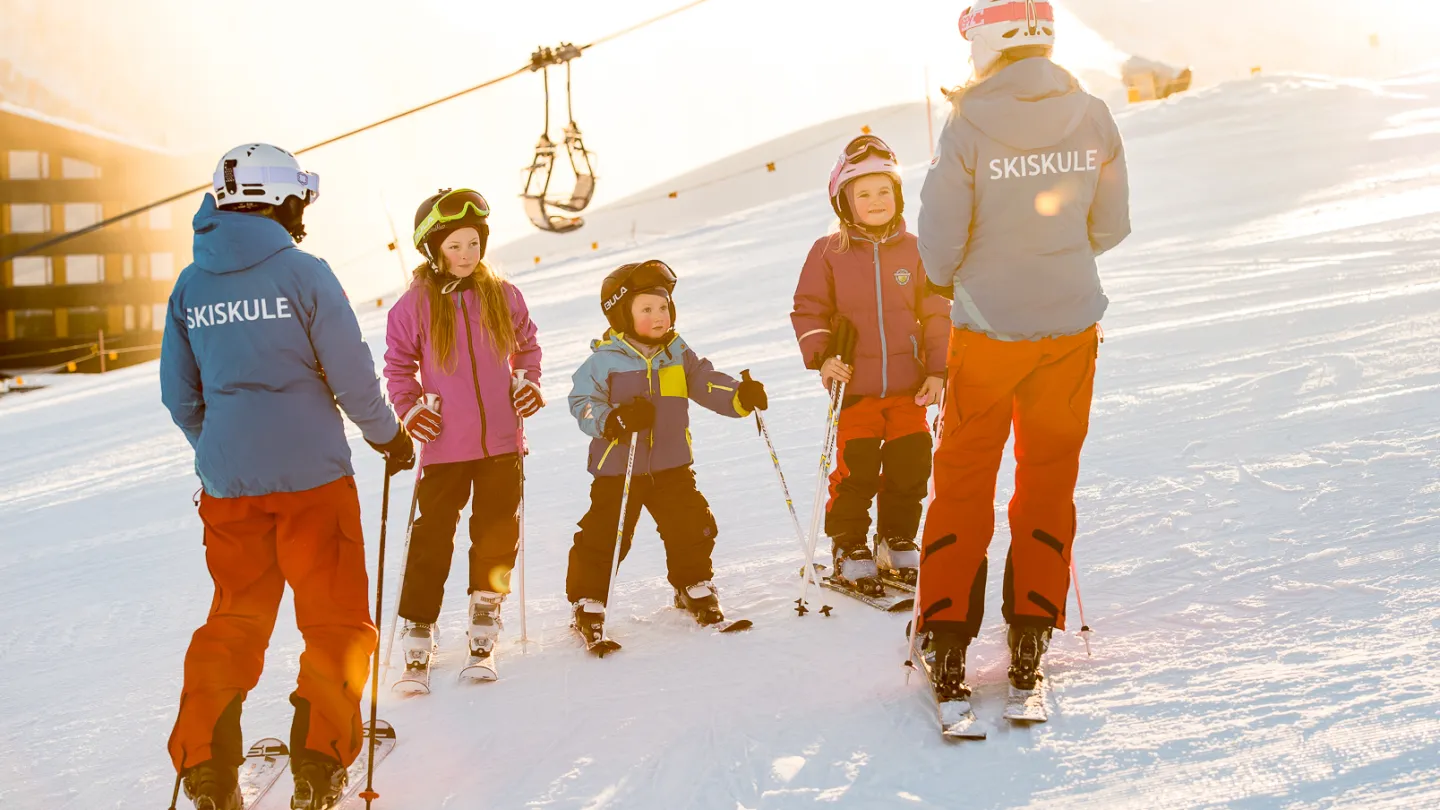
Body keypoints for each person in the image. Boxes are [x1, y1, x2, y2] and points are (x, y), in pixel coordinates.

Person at [160, 143, 413, 810]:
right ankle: (318, 761)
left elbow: (178, 395)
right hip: (312, 479)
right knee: (333, 621)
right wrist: (389, 437)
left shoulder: (191, 283)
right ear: (279, 199)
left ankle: (207, 768)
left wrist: (219, 449)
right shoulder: (304, 272)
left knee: (234, 621)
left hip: (228, 484)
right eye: (299, 199)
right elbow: (352, 374)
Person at [916, 0, 1131, 701]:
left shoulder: (968, 120)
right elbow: (1111, 225)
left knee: (966, 477)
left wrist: (985, 268)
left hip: (987, 331)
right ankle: (1032, 624)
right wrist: (1055, 253)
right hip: (1070, 327)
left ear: (987, 39)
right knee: (1048, 474)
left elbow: (940, 252)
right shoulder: (1091, 111)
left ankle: (946, 632)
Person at [382, 188, 543, 679]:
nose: (467, 255)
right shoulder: (413, 306)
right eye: (455, 245)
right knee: (433, 537)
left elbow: (527, 346)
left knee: (496, 532)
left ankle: (484, 611)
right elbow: (397, 367)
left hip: (501, 443)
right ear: (433, 248)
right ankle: (419, 623)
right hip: (445, 445)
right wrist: (410, 411)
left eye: (474, 243)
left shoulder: (503, 294)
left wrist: (528, 384)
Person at [565, 260, 768, 638]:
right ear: (622, 313)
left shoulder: (677, 352)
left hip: (671, 464)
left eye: (664, 306)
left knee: (690, 524)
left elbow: (706, 382)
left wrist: (740, 396)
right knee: (606, 533)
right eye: (646, 309)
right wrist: (614, 420)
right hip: (618, 469)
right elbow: (583, 403)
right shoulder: (603, 361)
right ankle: (588, 598)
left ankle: (693, 584)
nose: (659, 316)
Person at [791, 134, 950, 595]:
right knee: (856, 470)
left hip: (909, 387)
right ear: (845, 201)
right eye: (863, 193)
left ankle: (896, 539)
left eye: (884, 191)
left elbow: (938, 311)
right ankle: (849, 546)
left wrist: (938, 370)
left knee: (910, 466)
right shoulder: (828, 253)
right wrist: (823, 359)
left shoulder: (917, 250)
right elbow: (808, 309)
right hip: (856, 387)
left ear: (898, 195)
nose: (876, 201)